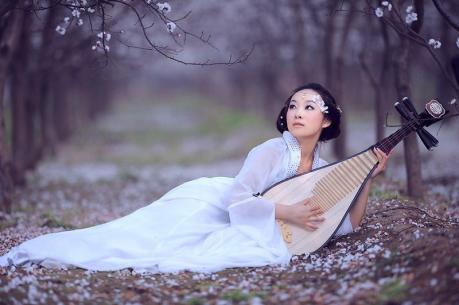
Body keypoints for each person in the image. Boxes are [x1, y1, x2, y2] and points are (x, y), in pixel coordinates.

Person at [0, 83, 390, 274]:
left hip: (257, 219)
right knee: (136, 241)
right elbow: (238, 200)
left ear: (327, 120)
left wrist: (368, 179)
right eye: (292, 105)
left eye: (309, 106)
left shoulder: (323, 169)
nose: (297, 112)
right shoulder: (271, 151)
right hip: (210, 206)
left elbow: (345, 226)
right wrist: (287, 213)